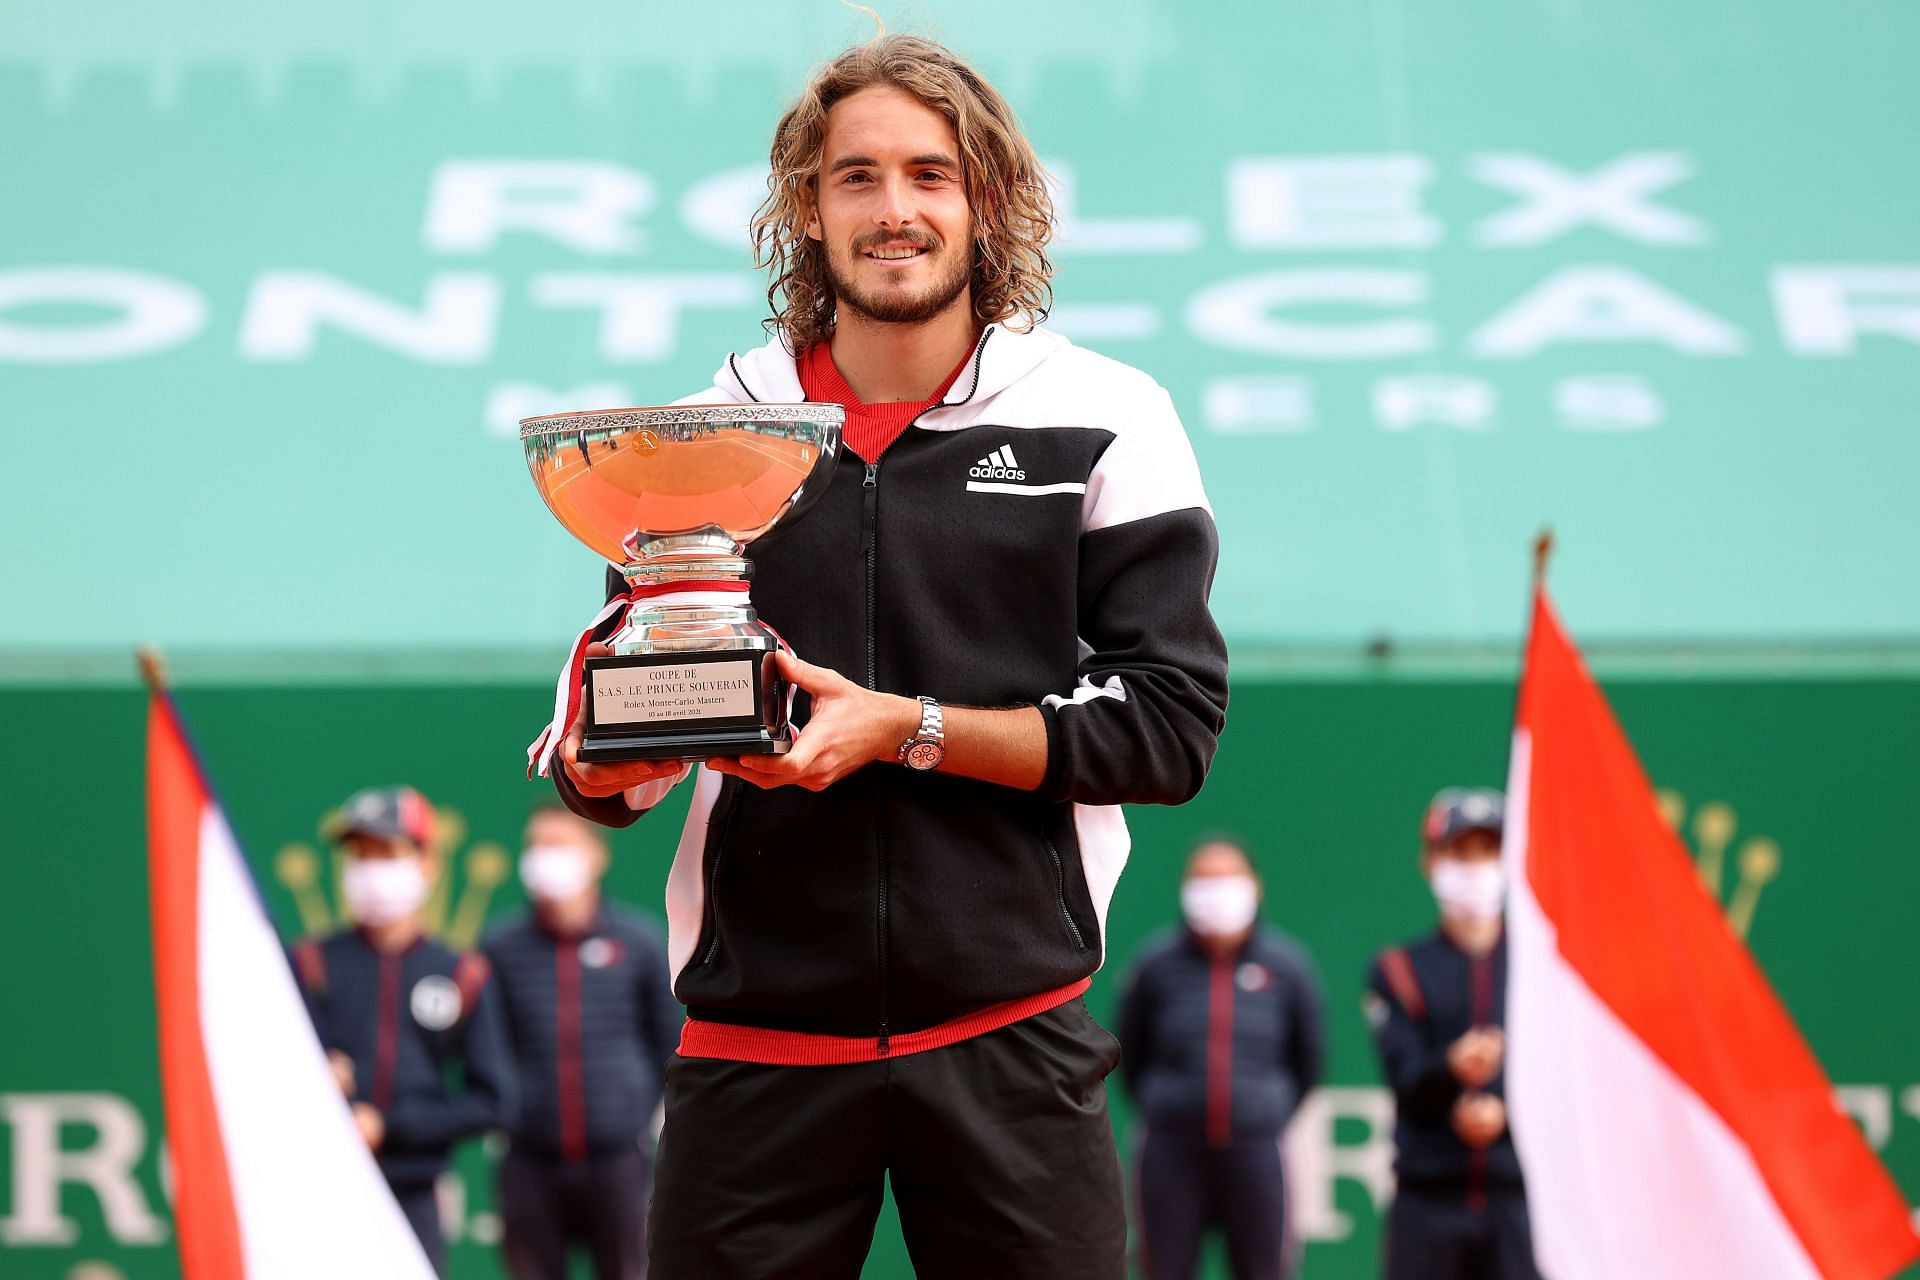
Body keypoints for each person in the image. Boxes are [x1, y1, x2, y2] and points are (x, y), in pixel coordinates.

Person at [532, 33, 1230, 1279]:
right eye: (856, 177)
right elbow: (618, 774)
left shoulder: (1109, 415)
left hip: (1010, 1034)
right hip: (756, 1050)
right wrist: (605, 755)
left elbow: (1169, 727)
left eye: (930, 174)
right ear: (808, 205)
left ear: (989, 202)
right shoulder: (702, 438)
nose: (894, 210)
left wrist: (907, 725)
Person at [291, 785, 515, 1275]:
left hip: (415, 1194)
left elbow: (493, 1102)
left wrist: (387, 1126)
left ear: (426, 863)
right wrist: (310, 1077)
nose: (372, 869)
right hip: (318, 1191)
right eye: (360, 854)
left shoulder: (462, 973)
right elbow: (267, 1076)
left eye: (387, 852)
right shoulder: (309, 963)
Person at [483, 803, 681, 1280]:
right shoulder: (499, 947)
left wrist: (641, 1117)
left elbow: (669, 1046)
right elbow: (492, 1051)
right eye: (536, 848)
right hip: (528, 1162)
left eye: (560, 847)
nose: (544, 860)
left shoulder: (639, 942)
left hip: (619, 1162)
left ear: (596, 855)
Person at [1118, 837, 1326, 1280]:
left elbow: (1308, 1059)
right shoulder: (1154, 966)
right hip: (1171, 1152)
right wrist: (1172, 1106)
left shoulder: (1287, 968)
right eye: (1204, 881)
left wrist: (1264, 1110)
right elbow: (1131, 1056)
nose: (1216, 894)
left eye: (1229, 880)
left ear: (1255, 887)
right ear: (1185, 889)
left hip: (1257, 1148)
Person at [1363, 788, 1540, 1280]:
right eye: (1460, 853)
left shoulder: (1543, 970)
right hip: (1428, 1201)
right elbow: (1407, 1080)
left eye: (1489, 852)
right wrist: (1452, 1069)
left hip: (1522, 1203)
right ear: (1431, 861)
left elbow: (1569, 1082)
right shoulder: (1398, 970)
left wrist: (1507, 1110)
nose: (1475, 868)